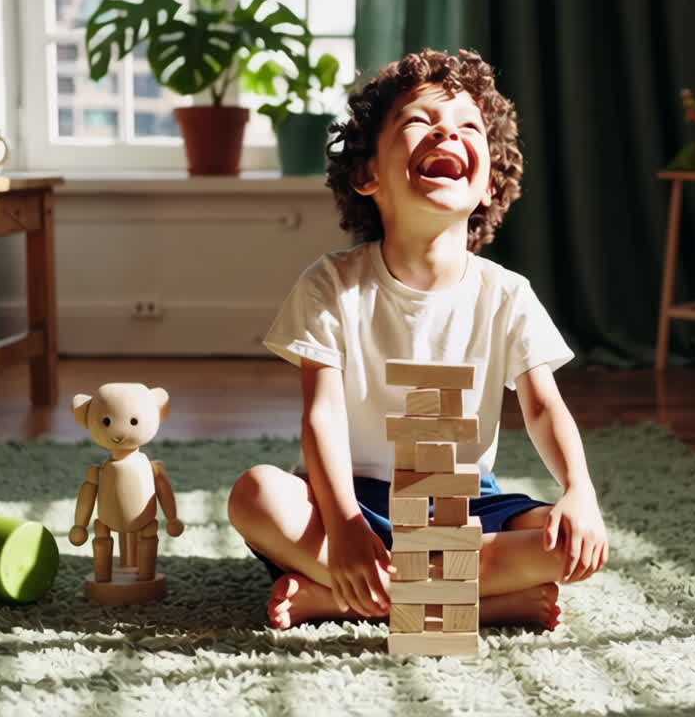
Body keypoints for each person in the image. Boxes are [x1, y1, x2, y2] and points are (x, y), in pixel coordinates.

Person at [227, 48, 608, 630]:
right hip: (353, 500)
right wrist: (348, 525)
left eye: (468, 128)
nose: (447, 134)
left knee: (565, 543)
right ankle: (475, 602)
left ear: (488, 184)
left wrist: (579, 490)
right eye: (419, 122)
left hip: (468, 506)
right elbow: (320, 420)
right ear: (367, 174)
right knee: (254, 494)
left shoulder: (506, 293)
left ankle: (340, 597)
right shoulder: (331, 284)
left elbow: (542, 405)